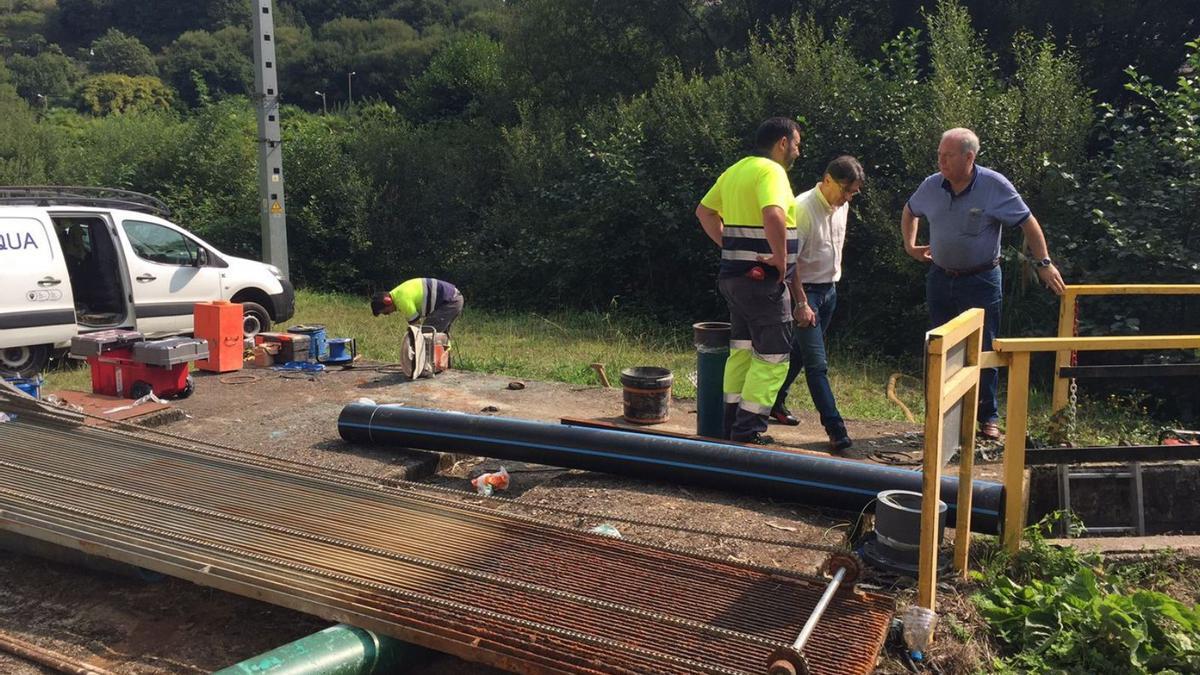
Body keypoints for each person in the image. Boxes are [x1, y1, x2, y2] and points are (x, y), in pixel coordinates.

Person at [901, 128, 1065, 439]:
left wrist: (1043, 264)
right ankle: (942, 416)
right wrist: (911, 246)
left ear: (969, 157)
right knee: (940, 347)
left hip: (981, 280)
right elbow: (910, 211)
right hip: (940, 277)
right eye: (939, 154)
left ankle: (987, 416)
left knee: (984, 348)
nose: (941, 161)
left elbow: (1028, 222)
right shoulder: (932, 185)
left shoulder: (993, 186)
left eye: (947, 156)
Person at [695, 117, 803, 443]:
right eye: (797, 143)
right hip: (762, 283)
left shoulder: (735, 170)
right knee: (773, 357)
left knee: (741, 352)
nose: (798, 151)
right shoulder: (772, 172)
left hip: (734, 280)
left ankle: (732, 424)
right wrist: (781, 259)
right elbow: (773, 213)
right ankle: (748, 432)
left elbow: (704, 212)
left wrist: (730, 245)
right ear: (782, 143)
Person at [769, 155, 864, 454]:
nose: (849, 197)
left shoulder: (843, 206)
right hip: (805, 292)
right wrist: (800, 303)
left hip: (829, 291)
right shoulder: (803, 207)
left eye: (853, 192)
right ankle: (836, 429)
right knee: (817, 365)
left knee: (799, 354)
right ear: (827, 180)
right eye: (846, 190)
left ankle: (773, 402)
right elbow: (790, 262)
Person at [371, 278, 464, 334]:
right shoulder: (398, 293)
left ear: (388, 302)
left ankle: (427, 364)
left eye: (386, 312)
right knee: (439, 335)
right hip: (452, 299)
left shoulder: (401, 300)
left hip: (450, 301)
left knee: (427, 333)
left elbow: (416, 326)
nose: (389, 314)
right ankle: (441, 363)